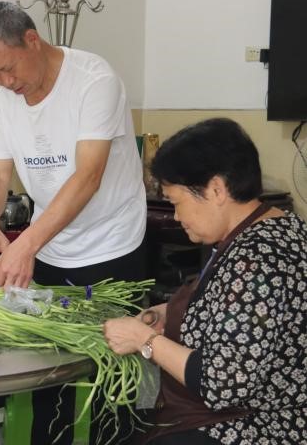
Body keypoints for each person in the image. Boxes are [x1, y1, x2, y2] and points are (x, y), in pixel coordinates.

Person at [0, 1, 146, 443]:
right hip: (52, 246)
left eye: (8, 69)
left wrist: (26, 243)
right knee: (46, 373)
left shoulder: (94, 81)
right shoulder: (3, 101)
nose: (5, 83)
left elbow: (88, 177)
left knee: (109, 376)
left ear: (32, 40)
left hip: (111, 245)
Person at [104, 117, 307, 444]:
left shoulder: (256, 259)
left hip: (255, 427)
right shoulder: (285, 227)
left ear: (216, 189)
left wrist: (144, 340)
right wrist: (167, 314)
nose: (177, 216)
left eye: (177, 202)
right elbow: (240, 312)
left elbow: (223, 382)